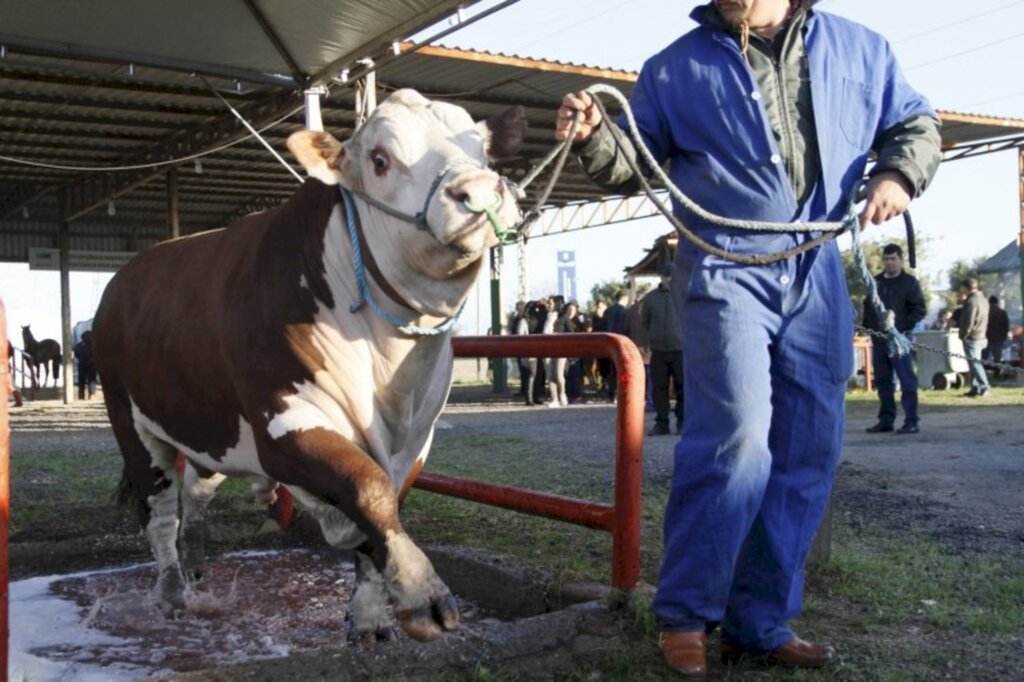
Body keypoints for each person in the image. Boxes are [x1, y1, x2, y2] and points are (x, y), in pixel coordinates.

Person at [555, 0, 941, 676]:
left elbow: (915, 122)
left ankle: (759, 619)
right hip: (725, 261)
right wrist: (594, 136)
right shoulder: (673, 69)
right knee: (737, 436)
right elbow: (633, 159)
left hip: (818, 262)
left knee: (808, 446)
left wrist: (898, 172)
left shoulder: (863, 48)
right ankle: (685, 615)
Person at [863, 244, 926, 434]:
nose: (890, 263)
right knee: (883, 381)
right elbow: (869, 307)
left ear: (901, 259)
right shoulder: (876, 282)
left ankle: (911, 420)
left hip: (900, 339)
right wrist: (868, 328)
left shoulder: (910, 283)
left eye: (893, 259)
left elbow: (919, 310)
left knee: (907, 380)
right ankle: (886, 419)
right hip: (880, 340)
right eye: (887, 259)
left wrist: (899, 328)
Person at [643, 263, 684, 435]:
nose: (669, 279)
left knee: (683, 387)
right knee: (659, 389)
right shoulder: (651, 298)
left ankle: (683, 422)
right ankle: (662, 422)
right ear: (661, 277)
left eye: (672, 276)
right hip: (659, 350)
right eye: (666, 276)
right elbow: (645, 321)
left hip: (681, 349)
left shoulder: (684, 296)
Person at [958, 278, 990, 397]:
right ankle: (975, 387)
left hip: (973, 336)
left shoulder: (971, 301)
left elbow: (968, 320)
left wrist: (963, 335)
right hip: (982, 334)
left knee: (975, 364)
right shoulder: (983, 299)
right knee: (974, 363)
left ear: (966, 288)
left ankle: (984, 386)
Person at [603, 290, 629, 401]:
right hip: (621, 341)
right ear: (625, 298)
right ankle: (619, 393)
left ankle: (611, 393)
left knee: (611, 369)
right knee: (621, 369)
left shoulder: (608, 310)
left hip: (609, 342)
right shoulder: (624, 311)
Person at [984, 295, 1010, 376]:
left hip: (986, 337)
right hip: (999, 338)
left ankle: (982, 373)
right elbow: (1006, 325)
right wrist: (1004, 335)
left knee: (984, 356)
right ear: (997, 302)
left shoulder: (986, 312)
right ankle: (997, 373)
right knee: (997, 357)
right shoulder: (1002, 312)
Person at [73, 330, 97, 400]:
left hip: (83, 364)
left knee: (83, 380)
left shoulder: (80, 345)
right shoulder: (93, 345)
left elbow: (76, 353)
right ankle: (90, 394)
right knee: (91, 380)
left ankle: (82, 395)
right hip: (91, 364)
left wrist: (81, 358)